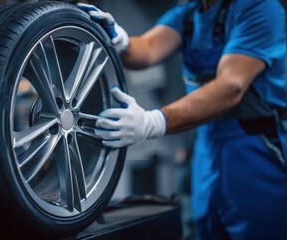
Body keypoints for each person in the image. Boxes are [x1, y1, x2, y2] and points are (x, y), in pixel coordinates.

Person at [78, 0, 287, 239]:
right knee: (206, 229)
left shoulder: (259, 8)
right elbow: (147, 48)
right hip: (207, 152)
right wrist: (122, 41)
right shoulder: (189, 14)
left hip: (257, 152)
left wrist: (153, 122)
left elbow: (231, 86)